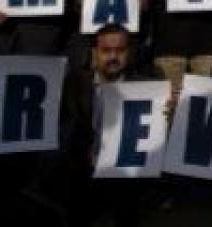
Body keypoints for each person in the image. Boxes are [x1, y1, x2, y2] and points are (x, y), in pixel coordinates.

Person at [54, 23, 155, 227]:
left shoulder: (146, 88)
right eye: (106, 51)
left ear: (130, 52)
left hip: (125, 179)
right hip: (82, 174)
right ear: (94, 52)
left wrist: (168, 111)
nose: (113, 57)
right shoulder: (74, 83)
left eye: (120, 50)